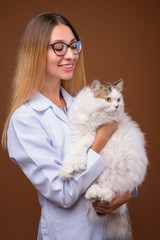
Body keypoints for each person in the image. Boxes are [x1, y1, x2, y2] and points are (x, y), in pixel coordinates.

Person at [2, 12, 136, 240]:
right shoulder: (26, 119)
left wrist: (127, 193)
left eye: (73, 46)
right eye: (59, 47)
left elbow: (119, 158)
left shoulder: (80, 103)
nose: (71, 54)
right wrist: (101, 138)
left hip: (109, 231)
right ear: (35, 53)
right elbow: (62, 193)